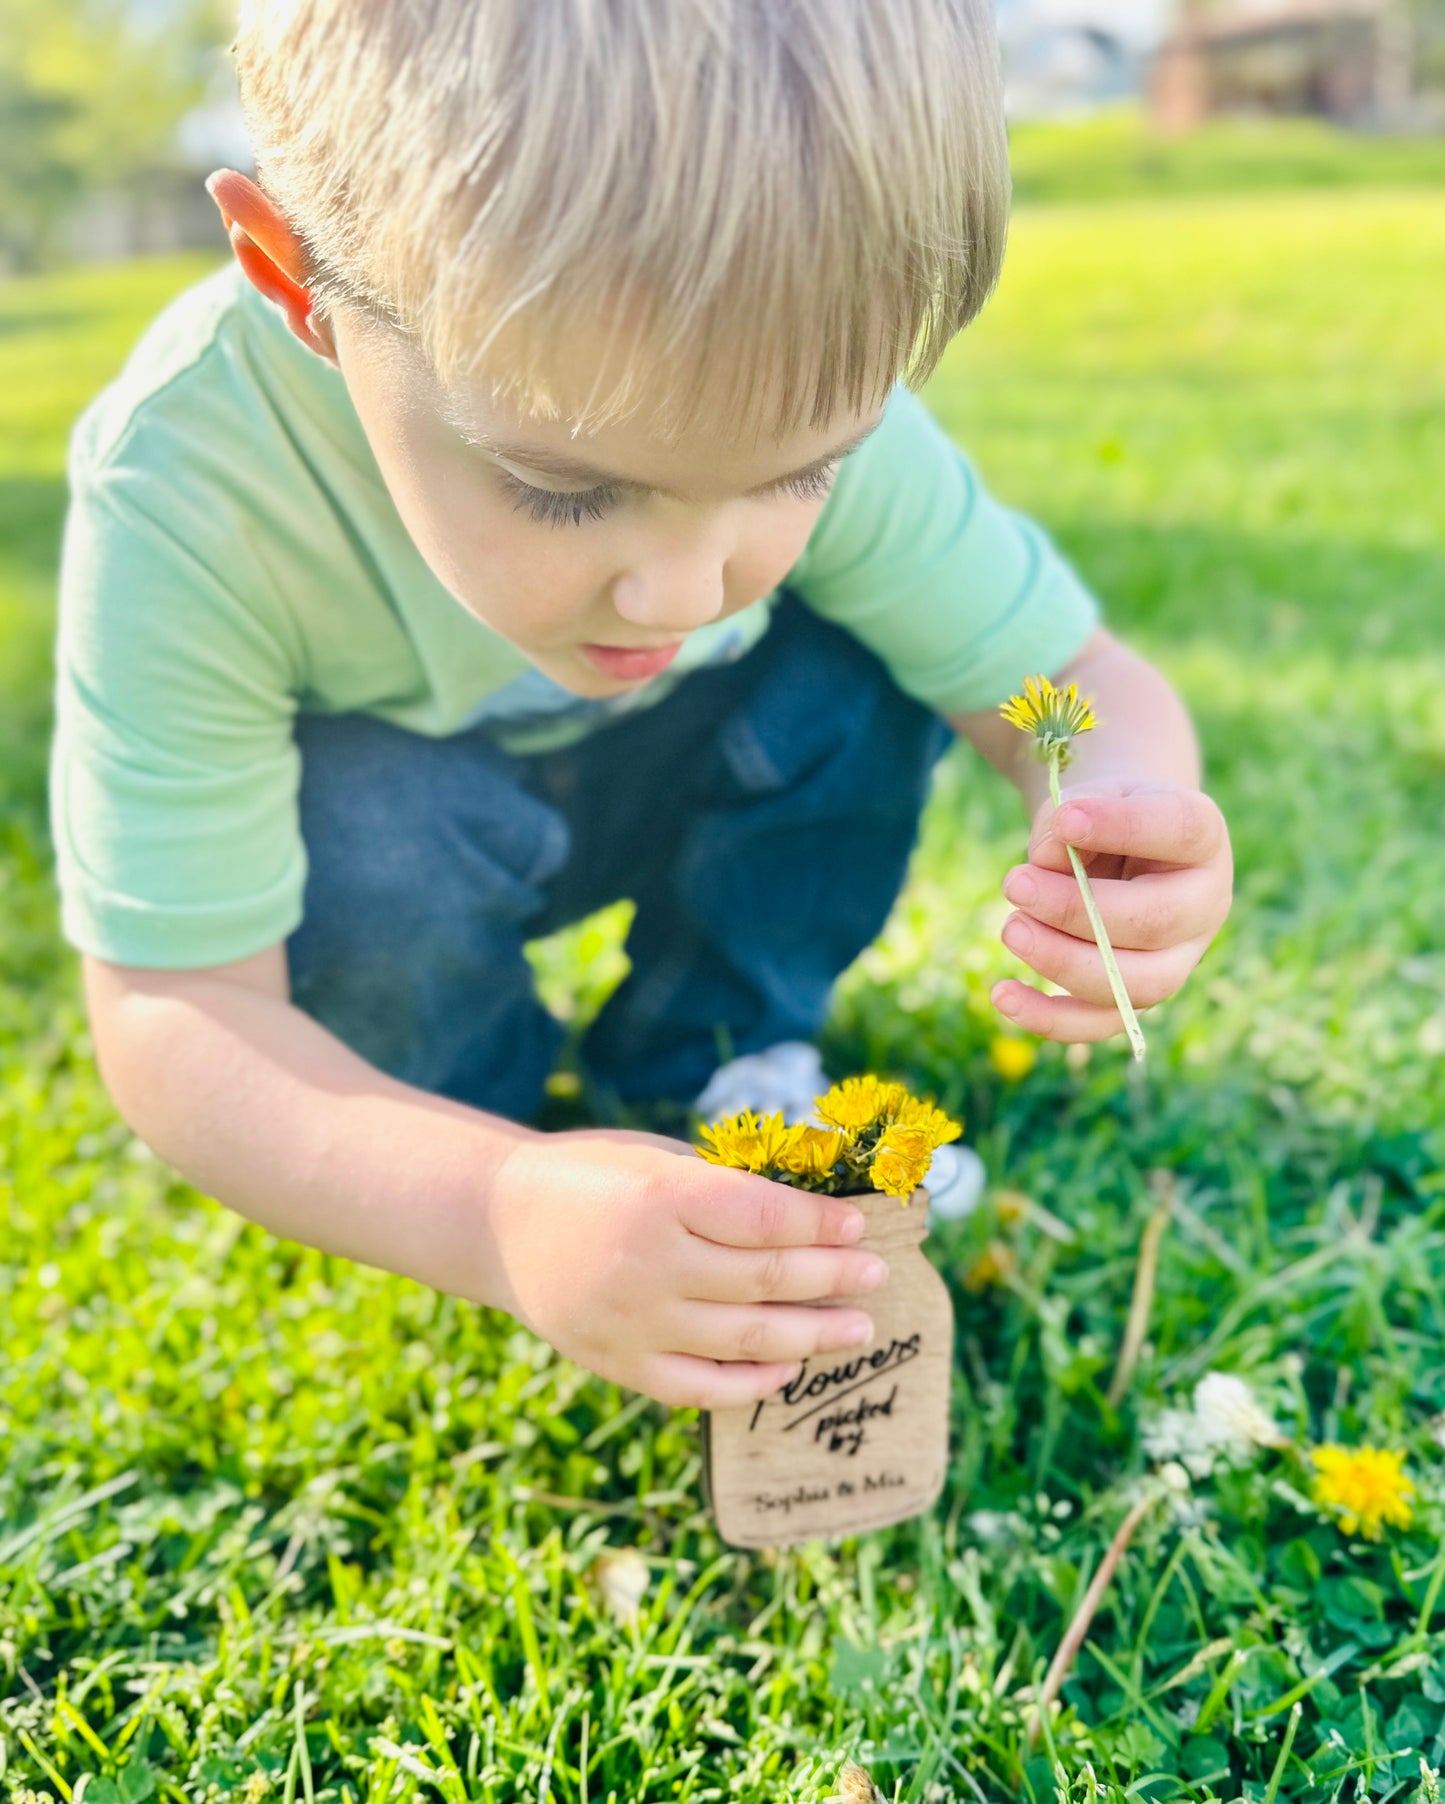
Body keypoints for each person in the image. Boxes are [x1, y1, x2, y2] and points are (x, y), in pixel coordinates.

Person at [52, 0, 1233, 1414]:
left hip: (674, 766)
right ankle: (490, 1116)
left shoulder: (786, 366)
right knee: (386, 915)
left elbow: (1062, 686)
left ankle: (715, 1058)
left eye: (800, 471)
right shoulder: (185, 487)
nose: (679, 592)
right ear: (297, 277)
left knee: (863, 664)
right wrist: (492, 1204)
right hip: (397, 835)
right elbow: (183, 1015)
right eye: (564, 487)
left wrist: (1114, 813)